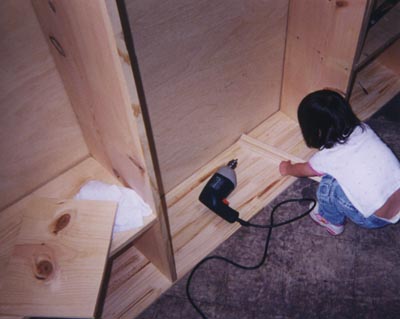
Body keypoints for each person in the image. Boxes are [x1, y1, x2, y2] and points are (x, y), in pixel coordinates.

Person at [279, 89, 400, 235]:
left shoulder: (327, 157)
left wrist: (287, 168)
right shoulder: (364, 130)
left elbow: (303, 170)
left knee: (328, 185)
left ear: (316, 131)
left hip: (373, 219)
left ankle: (331, 221)